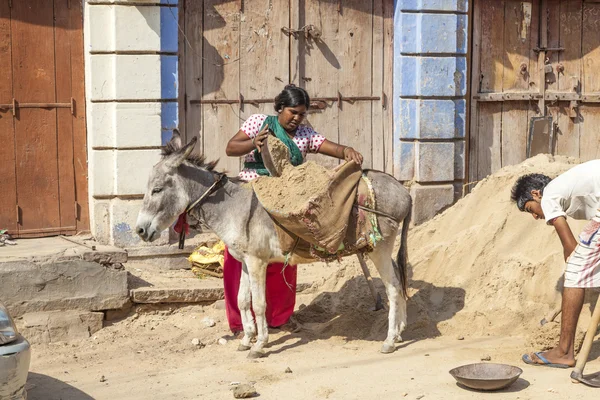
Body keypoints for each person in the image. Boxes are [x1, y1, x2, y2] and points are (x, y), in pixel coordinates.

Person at [223, 84, 363, 334]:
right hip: (250, 196)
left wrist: (346, 152)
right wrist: (253, 143)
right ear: (280, 108)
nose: (297, 118)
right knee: (240, 260)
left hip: (283, 199)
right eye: (292, 112)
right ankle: (240, 323)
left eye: (302, 114)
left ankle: (279, 318)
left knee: (284, 256)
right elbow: (231, 148)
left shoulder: (304, 133)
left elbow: (329, 147)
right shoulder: (259, 122)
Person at [511, 159, 600, 368]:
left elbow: (570, 247)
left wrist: (574, 267)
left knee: (576, 270)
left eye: (529, 208)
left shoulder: (549, 193)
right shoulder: (568, 185)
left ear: (535, 194)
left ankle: (563, 352)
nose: (534, 216)